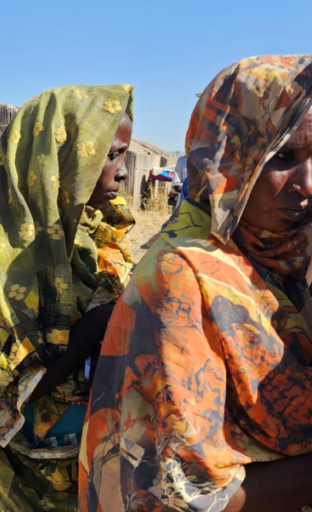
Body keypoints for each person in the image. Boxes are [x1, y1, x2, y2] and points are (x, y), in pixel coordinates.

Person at [79, 55, 312, 512]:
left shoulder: (288, 259)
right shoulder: (183, 276)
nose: (307, 183)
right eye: (282, 157)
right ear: (227, 157)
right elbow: (172, 495)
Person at [0, 85, 135, 511]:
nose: (123, 172)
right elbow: (3, 400)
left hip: (101, 451)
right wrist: (102, 321)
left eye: (123, 155)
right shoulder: (17, 259)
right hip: (39, 475)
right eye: (111, 156)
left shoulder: (95, 237)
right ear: (62, 162)